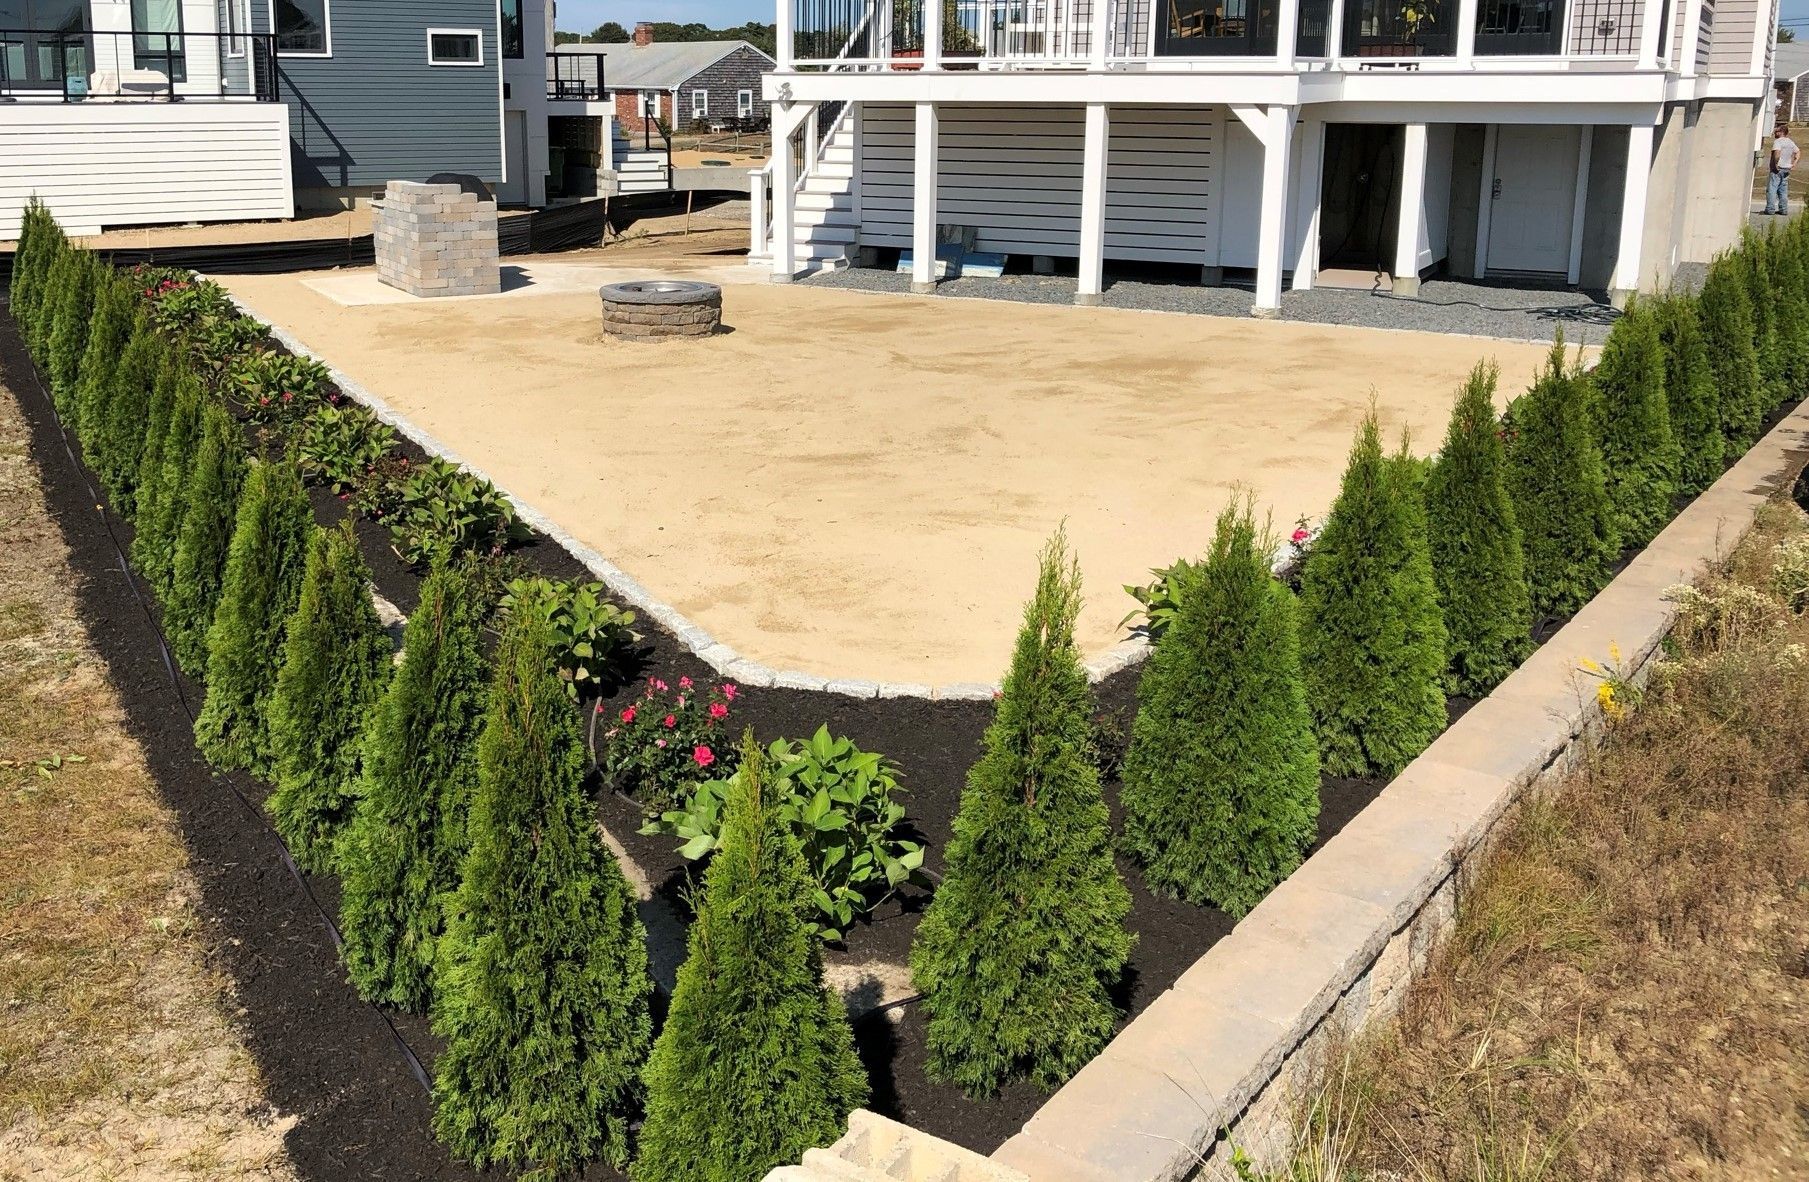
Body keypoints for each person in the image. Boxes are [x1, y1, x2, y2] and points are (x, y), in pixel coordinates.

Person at [1768, 124, 1799, 216]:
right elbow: (1798, 152)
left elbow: (1777, 153)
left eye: (1776, 131)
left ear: (1781, 132)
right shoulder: (1790, 142)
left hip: (1777, 169)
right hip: (1786, 169)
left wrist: (1776, 164)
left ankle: (1770, 209)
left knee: (1772, 189)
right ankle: (1783, 209)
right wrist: (1794, 163)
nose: (1774, 132)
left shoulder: (1778, 141)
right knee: (1783, 190)